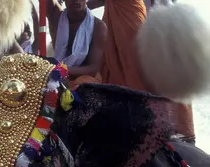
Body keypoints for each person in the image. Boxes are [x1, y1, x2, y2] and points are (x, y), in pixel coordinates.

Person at [88, 0, 195, 142]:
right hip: (122, 15)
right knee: (117, 65)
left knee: (139, 67)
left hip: (137, 16)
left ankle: (160, 123)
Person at [47, 0, 107, 89]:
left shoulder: (98, 26)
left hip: (84, 80)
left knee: (81, 87)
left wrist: (63, 69)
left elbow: (93, 69)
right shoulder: (56, 17)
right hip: (56, 76)